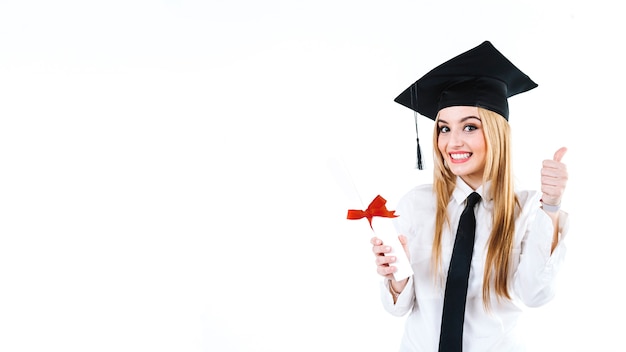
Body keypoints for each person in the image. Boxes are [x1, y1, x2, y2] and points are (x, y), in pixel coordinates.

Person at [370, 41, 569, 351]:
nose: (453, 142)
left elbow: (535, 294)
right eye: (444, 129)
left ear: (497, 133)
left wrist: (552, 206)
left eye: (470, 127)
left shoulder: (527, 208)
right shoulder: (415, 204)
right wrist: (397, 275)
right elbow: (397, 307)